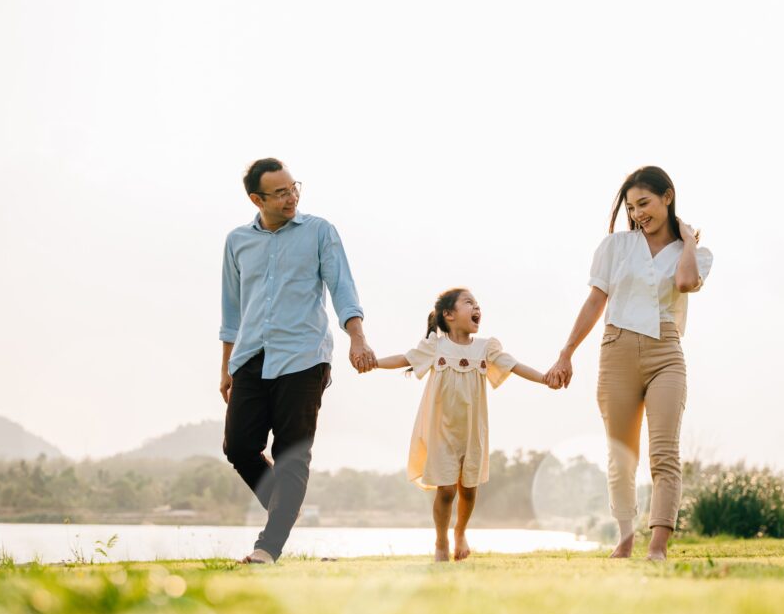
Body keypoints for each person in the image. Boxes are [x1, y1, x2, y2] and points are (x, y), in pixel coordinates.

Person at [545, 166, 712, 561]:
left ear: (667, 197)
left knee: (664, 452)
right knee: (621, 454)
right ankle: (625, 538)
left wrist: (686, 239)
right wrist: (566, 353)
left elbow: (686, 282)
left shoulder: (698, 254)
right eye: (632, 207)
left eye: (646, 203)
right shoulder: (615, 246)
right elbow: (594, 302)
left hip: (666, 352)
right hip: (616, 349)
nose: (638, 214)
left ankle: (658, 545)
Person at [219, 158, 376, 565]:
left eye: (294, 188)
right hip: (251, 355)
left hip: (305, 357)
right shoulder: (237, 241)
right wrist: (226, 366)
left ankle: (267, 547)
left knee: (291, 454)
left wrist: (356, 338)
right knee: (238, 446)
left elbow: (343, 288)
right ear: (257, 199)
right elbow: (231, 311)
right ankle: (285, 502)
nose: (292, 198)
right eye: (281, 193)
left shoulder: (319, 231)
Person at [375, 288, 558, 562]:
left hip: (473, 432)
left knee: (469, 490)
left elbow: (515, 365)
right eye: (469, 303)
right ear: (448, 314)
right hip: (441, 431)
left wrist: (545, 378)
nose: (477, 308)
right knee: (446, 490)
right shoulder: (435, 346)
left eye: (478, 304)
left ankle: (460, 531)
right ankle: (441, 541)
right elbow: (404, 359)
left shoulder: (486, 348)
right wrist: (373, 363)